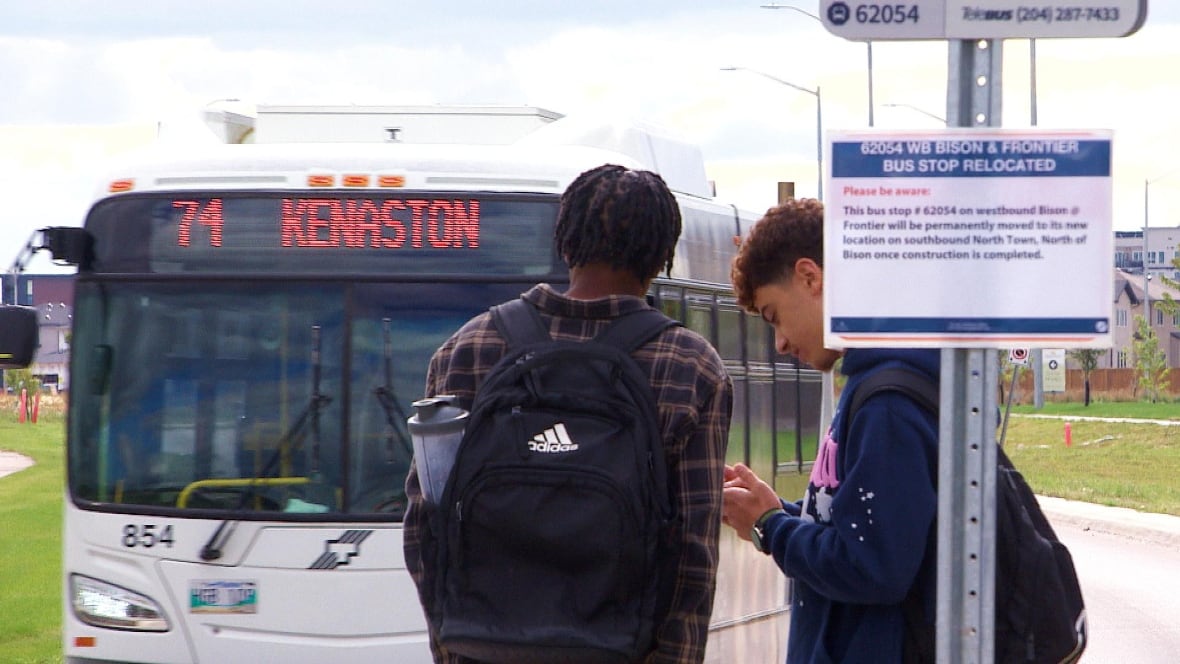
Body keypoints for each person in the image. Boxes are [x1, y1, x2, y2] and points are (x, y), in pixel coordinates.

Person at [403, 163, 735, 664]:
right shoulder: (690, 367)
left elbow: (424, 526)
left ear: (565, 241)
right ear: (663, 255)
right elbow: (692, 554)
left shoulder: (467, 349)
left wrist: (455, 645)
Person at [722, 198, 940, 663]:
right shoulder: (870, 383)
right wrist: (780, 510)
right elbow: (859, 523)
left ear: (809, 277)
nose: (779, 342)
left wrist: (771, 528)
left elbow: (873, 565)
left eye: (774, 315)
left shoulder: (888, 406)